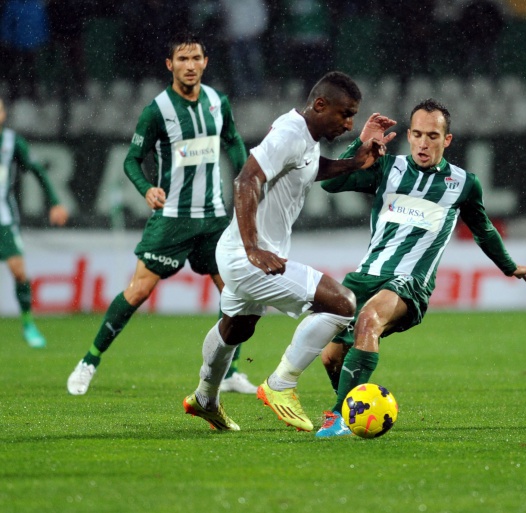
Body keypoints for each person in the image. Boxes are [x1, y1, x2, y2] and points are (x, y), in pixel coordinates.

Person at [311, 98, 526, 437]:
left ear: (447, 140)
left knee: (368, 320)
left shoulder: (463, 183)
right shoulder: (387, 168)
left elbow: (484, 230)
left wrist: (508, 266)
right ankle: (354, 406)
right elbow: (330, 183)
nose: (423, 143)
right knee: (331, 357)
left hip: (410, 283)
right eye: (417, 134)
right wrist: (360, 144)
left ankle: (339, 416)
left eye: (432, 136)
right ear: (409, 135)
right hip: (366, 276)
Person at [182, 71, 395, 431]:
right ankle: (281, 384)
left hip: (239, 252)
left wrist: (355, 161)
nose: (349, 124)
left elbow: (311, 167)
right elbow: (246, 179)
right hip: (249, 256)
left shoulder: (305, 137)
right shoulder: (290, 133)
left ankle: (205, 397)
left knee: (237, 328)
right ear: (320, 104)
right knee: (343, 304)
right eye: (345, 114)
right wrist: (253, 247)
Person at [66, 32, 256, 395]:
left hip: (214, 217)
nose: (190, 65)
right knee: (138, 291)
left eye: (196, 58)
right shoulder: (157, 110)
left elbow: (232, 139)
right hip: (172, 219)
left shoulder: (217, 101)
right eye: (182, 59)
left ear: (205, 62)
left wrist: (245, 177)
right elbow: (131, 160)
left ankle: (228, 372)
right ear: (170, 65)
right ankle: (89, 361)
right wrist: (146, 189)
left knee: (235, 294)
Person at [0, 98, 69, 347]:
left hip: (4, 217)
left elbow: (38, 170)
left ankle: (28, 324)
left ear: (4, 113)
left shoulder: (12, 142)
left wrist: (55, 202)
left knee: (18, 271)